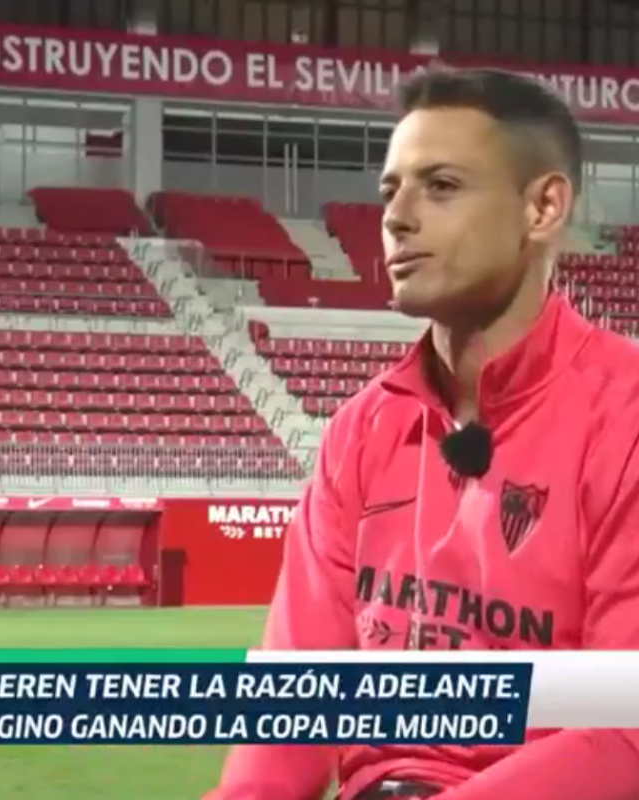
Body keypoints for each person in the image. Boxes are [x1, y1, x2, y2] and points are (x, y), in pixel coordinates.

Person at [203, 67, 639, 800]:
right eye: (389, 190)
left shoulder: (624, 415)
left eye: (440, 186)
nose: (397, 217)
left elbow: (626, 731)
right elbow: (293, 703)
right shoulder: (361, 430)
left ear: (543, 207)